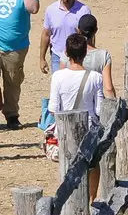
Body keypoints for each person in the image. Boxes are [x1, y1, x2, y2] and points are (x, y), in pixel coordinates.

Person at [46, 35, 107, 195]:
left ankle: (70, 198)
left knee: (68, 166)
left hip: (65, 129)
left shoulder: (58, 76)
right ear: (85, 53)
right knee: (93, 164)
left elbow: (53, 108)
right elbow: (100, 109)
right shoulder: (95, 77)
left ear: (66, 53)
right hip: (89, 129)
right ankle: (91, 198)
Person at [39, 0, 91, 77]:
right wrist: (42, 58)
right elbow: (46, 34)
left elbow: (89, 36)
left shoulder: (84, 10)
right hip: (57, 56)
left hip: (78, 57)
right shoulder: (51, 10)